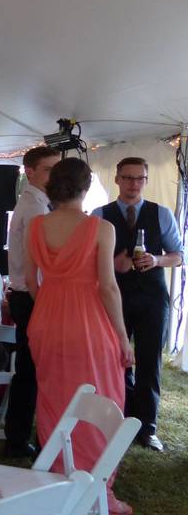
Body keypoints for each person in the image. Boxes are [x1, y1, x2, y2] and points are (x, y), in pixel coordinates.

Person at [25, 158, 134, 514]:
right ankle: (98, 487)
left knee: (55, 398)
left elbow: (30, 282)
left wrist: (50, 309)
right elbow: (108, 288)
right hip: (88, 323)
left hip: (47, 319)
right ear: (85, 188)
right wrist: (122, 336)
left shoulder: (36, 226)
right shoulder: (99, 228)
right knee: (102, 396)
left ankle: (59, 478)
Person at [92, 157, 184, 452]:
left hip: (152, 297)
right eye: (128, 178)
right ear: (116, 179)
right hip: (113, 295)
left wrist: (157, 260)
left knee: (149, 361)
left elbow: (178, 255)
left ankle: (147, 427)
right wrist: (111, 263)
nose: (134, 184)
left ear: (145, 180)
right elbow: (88, 259)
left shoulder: (162, 214)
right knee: (115, 359)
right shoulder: (99, 215)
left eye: (139, 178)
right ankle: (116, 420)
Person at [4, 145, 61, 457]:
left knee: (30, 370)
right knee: (32, 371)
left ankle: (20, 436)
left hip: (26, 294)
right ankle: (20, 437)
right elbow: (36, 265)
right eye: (49, 170)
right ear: (30, 172)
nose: (55, 176)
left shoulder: (36, 202)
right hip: (31, 296)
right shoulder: (35, 207)